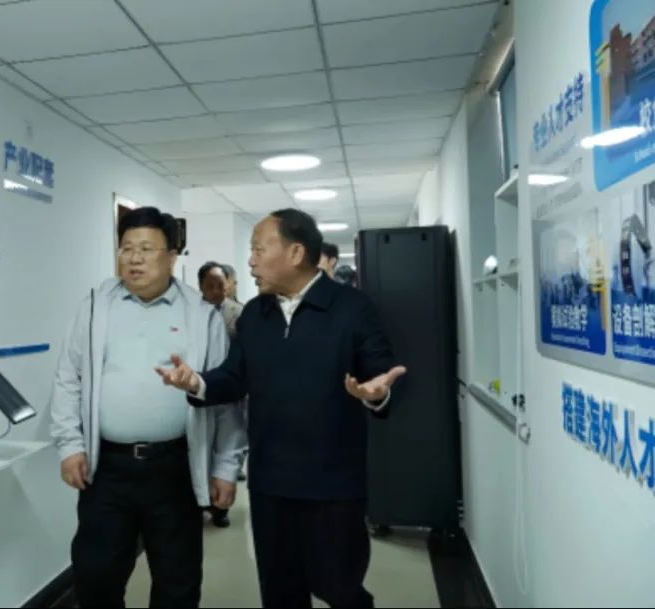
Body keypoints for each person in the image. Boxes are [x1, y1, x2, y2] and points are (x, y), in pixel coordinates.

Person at [157, 209, 407, 609]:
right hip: (271, 482)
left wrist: (375, 392)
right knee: (280, 592)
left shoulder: (351, 307)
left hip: (333, 483)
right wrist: (197, 382)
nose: (250, 261)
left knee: (340, 589)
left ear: (295, 253)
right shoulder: (256, 315)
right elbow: (234, 377)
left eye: (259, 249)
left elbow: (381, 372)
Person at [51, 207, 247, 608]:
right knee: (95, 577)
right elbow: (68, 378)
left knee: (178, 581)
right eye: (126, 248)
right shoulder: (95, 306)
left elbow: (224, 397)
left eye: (146, 248)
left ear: (172, 256)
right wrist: (70, 445)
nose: (134, 258)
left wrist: (226, 467)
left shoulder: (202, 316)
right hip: (107, 469)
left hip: (174, 468)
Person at [196, 262, 247, 528]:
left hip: (229, 387)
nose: (217, 290)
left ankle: (219, 508)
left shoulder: (238, 312)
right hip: (199, 387)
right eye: (211, 286)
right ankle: (203, 499)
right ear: (201, 287)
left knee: (226, 443)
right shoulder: (192, 315)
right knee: (202, 448)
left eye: (221, 285)